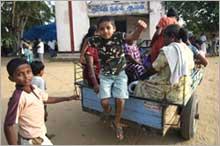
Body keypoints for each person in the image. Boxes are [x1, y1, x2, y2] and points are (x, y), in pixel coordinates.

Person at [81, 16, 147, 140]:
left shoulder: (119, 36)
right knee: (104, 102)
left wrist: (139, 29)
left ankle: (117, 123)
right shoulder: (96, 40)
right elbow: (87, 41)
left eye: (108, 28)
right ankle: (108, 110)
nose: (105, 31)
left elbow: (132, 38)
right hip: (105, 75)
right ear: (99, 31)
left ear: (114, 28)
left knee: (120, 100)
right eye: (102, 29)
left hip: (120, 74)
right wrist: (81, 55)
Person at [4, 58, 79, 145]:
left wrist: (67, 98)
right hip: (32, 140)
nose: (26, 76)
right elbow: (8, 125)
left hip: (40, 135)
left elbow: (47, 98)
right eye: (20, 74)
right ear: (11, 78)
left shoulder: (34, 88)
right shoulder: (18, 98)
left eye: (28, 72)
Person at [134, 24, 195, 103]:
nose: (163, 40)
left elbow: (154, 69)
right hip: (183, 89)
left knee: (140, 85)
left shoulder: (168, 50)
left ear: (172, 36)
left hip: (168, 90)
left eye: (164, 37)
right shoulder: (188, 50)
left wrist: (141, 77)